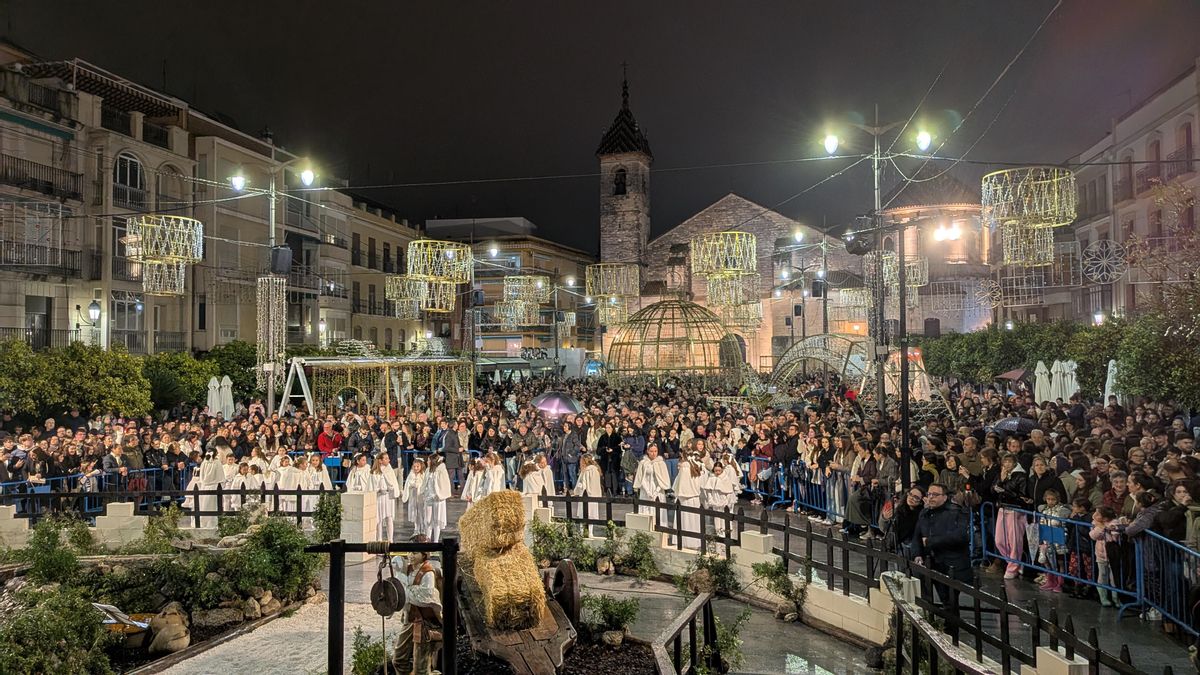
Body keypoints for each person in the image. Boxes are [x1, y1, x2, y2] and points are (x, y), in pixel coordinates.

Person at [911, 483, 973, 636]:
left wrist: (931, 541)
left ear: (944, 497)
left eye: (935, 495)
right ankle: (929, 628)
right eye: (929, 494)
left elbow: (960, 537)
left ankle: (951, 635)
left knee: (950, 602)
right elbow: (917, 536)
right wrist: (917, 554)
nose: (930, 497)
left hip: (952, 563)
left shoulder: (956, 512)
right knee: (926, 598)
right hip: (931, 562)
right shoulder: (924, 513)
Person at [672, 453, 703, 550]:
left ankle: (685, 541)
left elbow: (680, 484)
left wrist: (677, 493)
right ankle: (695, 541)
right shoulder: (696, 467)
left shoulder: (685, 468)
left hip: (685, 498)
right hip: (695, 498)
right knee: (694, 521)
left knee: (685, 520)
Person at [701, 461, 738, 540]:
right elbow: (708, 490)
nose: (717, 472)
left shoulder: (725, 478)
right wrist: (710, 499)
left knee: (724, 516)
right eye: (716, 471)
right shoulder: (712, 478)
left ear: (722, 470)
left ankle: (725, 531)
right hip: (715, 499)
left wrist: (726, 501)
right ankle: (718, 531)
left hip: (723, 499)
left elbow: (729, 491)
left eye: (719, 471)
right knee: (717, 516)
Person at [633, 443, 671, 516]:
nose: (654, 453)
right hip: (646, 490)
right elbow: (641, 478)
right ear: (648, 451)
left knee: (657, 510)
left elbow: (663, 479)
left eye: (655, 451)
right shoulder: (643, 463)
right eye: (651, 451)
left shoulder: (661, 463)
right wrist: (647, 491)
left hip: (658, 490)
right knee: (646, 509)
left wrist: (656, 491)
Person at [573, 453, 604, 536]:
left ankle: (582, 532)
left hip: (585, 496)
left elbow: (583, 484)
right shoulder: (596, 470)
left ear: (584, 462)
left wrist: (576, 491)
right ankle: (590, 532)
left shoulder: (586, 471)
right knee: (592, 515)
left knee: (583, 515)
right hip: (594, 496)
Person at [423, 454, 451, 542]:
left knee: (436, 520)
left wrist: (438, 494)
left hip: (438, 498)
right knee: (428, 520)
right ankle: (427, 540)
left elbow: (444, 484)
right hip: (429, 497)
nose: (427, 462)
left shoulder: (441, 471)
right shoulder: (428, 470)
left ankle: (435, 541)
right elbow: (425, 484)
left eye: (428, 460)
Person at [373, 454, 400, 542]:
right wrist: (379, 489)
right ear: (380, 460)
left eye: (388, 458)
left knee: (389, 517)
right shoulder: (375, 472)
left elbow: (393, 482)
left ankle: (390, 539)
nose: (388, 460)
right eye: (386, 458)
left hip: (388, 497)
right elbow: (373, 486)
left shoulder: (389, 469)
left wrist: (391, 488)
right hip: (380, 497)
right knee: (379, 518)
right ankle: (379, 539)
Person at [402, 457, 429, 537]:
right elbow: (407, 484)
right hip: (413, 497)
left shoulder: (424, 475)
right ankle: (416, 529)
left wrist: (419, 486)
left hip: (421, 498)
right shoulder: (411, 475)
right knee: (415, 513)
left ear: (421, 466)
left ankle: (423, 529)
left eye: (418, 466)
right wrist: (411, 486)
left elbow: (426, 486)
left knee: (422, 513)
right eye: (414, 466)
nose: (416, 468)